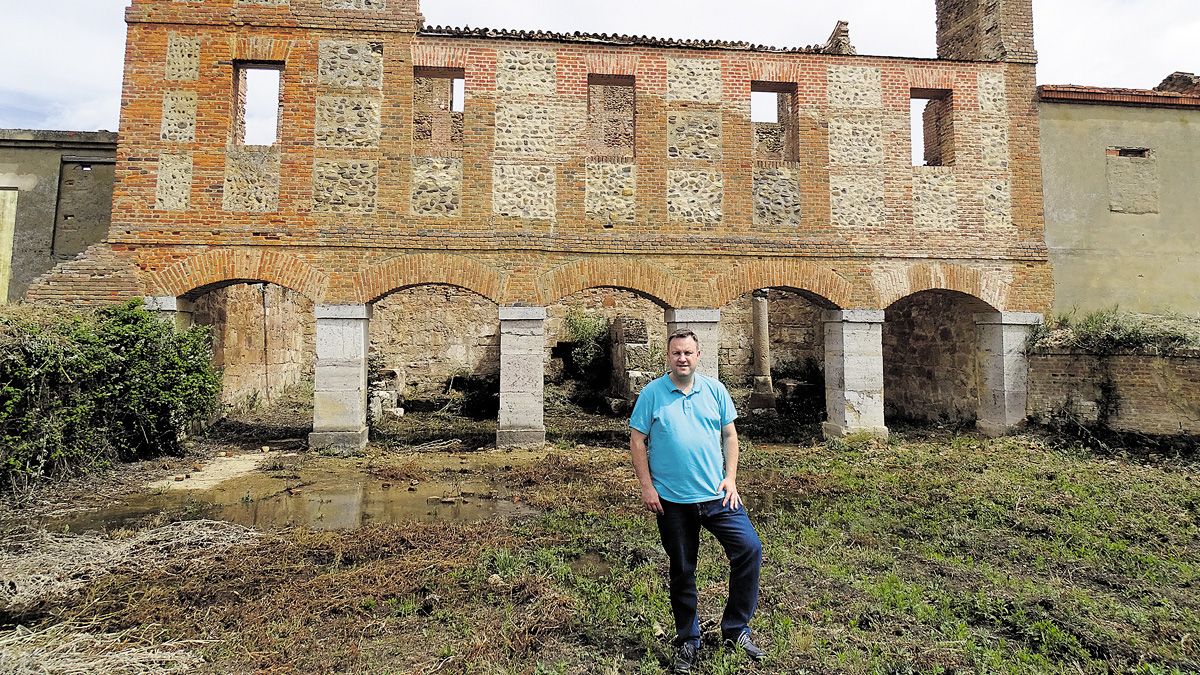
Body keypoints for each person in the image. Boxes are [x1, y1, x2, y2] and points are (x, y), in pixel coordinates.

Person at [629, 328, 766, 673]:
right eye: (676, 353)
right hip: (672, 500)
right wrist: (647, 486)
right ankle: (688, 639)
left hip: (717, 496)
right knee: (683, 568)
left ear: (698, 355)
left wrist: (731, 478)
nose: (682, 358)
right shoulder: (653, 393)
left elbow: (730, 435)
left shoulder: (715, 391)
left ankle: (736, 630)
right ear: (668, 356)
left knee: (749, 548)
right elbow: (637, 440)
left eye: (688, 353)